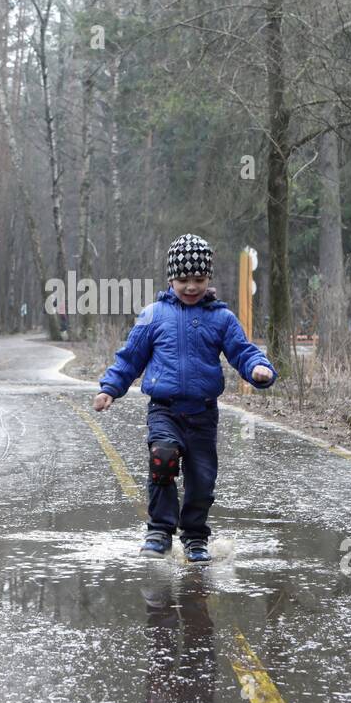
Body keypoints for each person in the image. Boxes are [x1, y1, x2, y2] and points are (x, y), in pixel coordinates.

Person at [92, 234, 277, 562]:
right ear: (170, 278)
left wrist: (259, 369)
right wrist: (109, 388)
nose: (191, 287)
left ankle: (194, 536)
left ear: (208, 279)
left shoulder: (221, 318)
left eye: (199, 279)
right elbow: (129, 358)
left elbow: (243, 352)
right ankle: (160, 531)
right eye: (183, 279)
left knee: (202, 480)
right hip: (165, 409)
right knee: (163, 459)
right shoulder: (154, 315)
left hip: (203, 414)